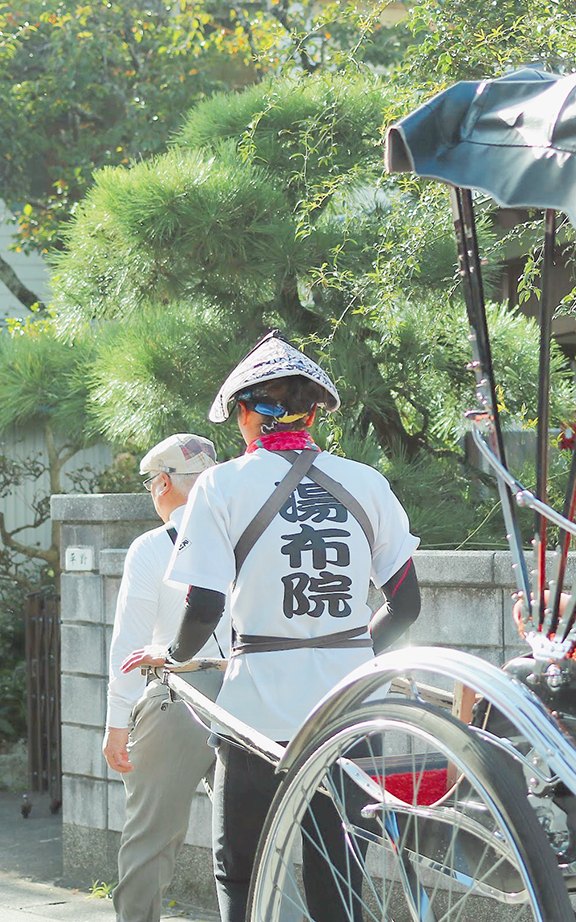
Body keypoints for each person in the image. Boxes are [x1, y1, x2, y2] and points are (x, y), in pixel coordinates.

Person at [123, 330, 421, 922]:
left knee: (242, 870)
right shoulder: (368, 483)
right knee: (338, 875)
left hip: (255, 709)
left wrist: (174, 655)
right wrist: (356, 655)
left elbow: (204, 606)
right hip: (352, 711)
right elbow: (406, 606)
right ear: (313, 412)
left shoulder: (220, 484)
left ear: (243, 415)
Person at [103, 433, 228, 922]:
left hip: (179, 693)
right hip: (247, 694)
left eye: (152, 482)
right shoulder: (246, 537)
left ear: (164, 484)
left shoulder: (153, 547)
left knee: (151, 839)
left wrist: (117, 720)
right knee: (250, 841)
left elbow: (130, 644)